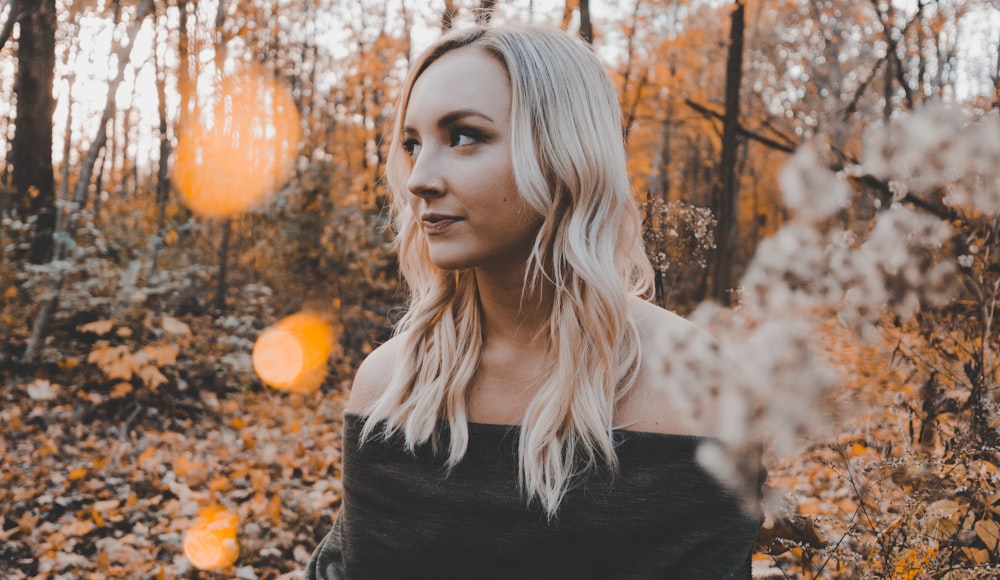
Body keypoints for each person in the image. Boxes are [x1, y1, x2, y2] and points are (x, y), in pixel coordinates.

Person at [307, 23, 762, 579]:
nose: (419, 179)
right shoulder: (390, 385)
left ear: (563, 152)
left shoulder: (696, 388)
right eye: (412, 144)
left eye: (464, 136)